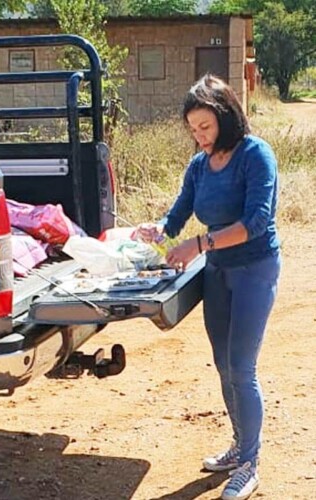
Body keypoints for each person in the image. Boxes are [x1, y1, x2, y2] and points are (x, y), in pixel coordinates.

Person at [138, 74, 280, 500]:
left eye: (205, 127)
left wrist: (199, 244)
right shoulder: (200, 165)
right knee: (222, 364)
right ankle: (239, 445)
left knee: (242, 367)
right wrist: (158, 230)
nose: (199, 136)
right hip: (216, 271)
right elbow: (178, 213)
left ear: (226, 117)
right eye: (193, 129)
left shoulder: (255, 154)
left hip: (254, 267)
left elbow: (256, 222)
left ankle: (249, 464)